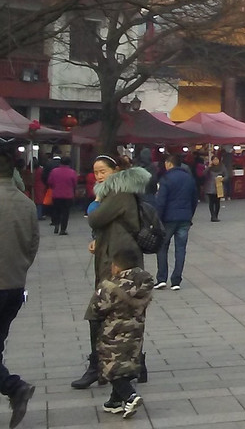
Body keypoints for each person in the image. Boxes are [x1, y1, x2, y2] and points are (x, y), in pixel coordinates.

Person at [75, 155, 151, 390]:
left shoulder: (118, 193)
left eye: (103, 171)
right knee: (124, 317)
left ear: (115, 171)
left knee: (100, 315)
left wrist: (97, 199)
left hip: (119, 264)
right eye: (95, 172)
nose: (98, 176)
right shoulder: (119, 192)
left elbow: (95, 217)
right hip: (114, 258)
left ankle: (97, 366)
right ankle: (135, 363)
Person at [89, 247, 153, 419]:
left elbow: (97, 309)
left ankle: (130, 396)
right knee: (126, 364)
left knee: (111, 367)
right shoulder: (144, 283)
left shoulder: (110, 287)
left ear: (116, 267)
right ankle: (114, 402)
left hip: (113, 333)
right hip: (136, 330)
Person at [0, 152, 38, 428]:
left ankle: (14, 386)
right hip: (14, 286)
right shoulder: (26, 204)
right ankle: (14, 387)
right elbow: (32, 245)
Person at [154, 154, 199, 290]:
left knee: (162, 247)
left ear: (169, 164)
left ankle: (162, 278)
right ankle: (176, 280)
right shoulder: (189, 178)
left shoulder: (166, 179)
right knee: (180, 249)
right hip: (184, 218)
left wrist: (157, 219)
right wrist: (189, 215)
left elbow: (161, 201)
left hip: (168, 219)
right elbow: (194, 198)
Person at [47, 155, 78, 235]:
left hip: (56, 194)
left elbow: (50, 182)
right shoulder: (72, 172)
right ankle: (63, 229)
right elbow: (75, 184)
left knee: (56, 210)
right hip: (68, 195)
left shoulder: (54, 171)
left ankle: (56, 224)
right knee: (65, 213)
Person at [205, 154, 227, 221]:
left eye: (217, 159)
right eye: (214, 160)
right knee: (211, 202)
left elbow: (226, 175)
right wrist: (208, 167)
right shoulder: (210, 168)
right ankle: (212, 216)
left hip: (219, 187)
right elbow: (204, 174)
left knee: (217, 202)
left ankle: (216, 215)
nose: (215, 161)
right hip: (210, 186)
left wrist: (223, 179)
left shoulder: (222, 167)